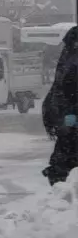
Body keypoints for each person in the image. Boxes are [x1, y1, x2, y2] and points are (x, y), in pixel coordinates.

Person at [43, 27, 78, 185]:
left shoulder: (68, 58)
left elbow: (60, 88)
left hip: (66, 120)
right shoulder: (69, 58)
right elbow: (62, 88)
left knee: (64, 159)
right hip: (67, 120)